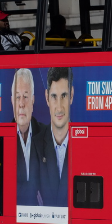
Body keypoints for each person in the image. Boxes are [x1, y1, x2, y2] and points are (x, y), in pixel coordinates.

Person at [32, 67, 73, 207]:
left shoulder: (86, 144)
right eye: (54, 97)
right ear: (46, 97)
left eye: (64, 96)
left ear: (72, 95)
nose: (59, 107)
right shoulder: (35, 145)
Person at [12, 68, 45, 206]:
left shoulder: (46, 134)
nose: (21, 103)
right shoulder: (4, 137)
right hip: (12, 212)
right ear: (12, 101)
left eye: (25, 96)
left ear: (32, 100)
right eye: (17, 97)